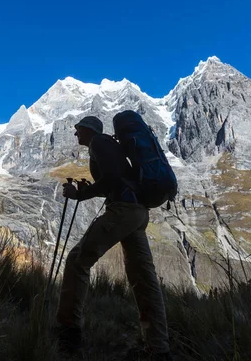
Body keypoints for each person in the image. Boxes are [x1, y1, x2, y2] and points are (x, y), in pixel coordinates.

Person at [54, 115, 172, 360]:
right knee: (143, 278)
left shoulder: (99, 143)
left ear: (88, 130)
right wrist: (87, 191)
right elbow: (114, 179)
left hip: (123, 211)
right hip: (138, 213)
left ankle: (68, 333)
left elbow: (112, 179)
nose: (75, 134)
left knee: (77, 260)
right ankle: (158, 348)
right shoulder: (108, 145)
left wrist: (79, 194)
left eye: (78, 129)